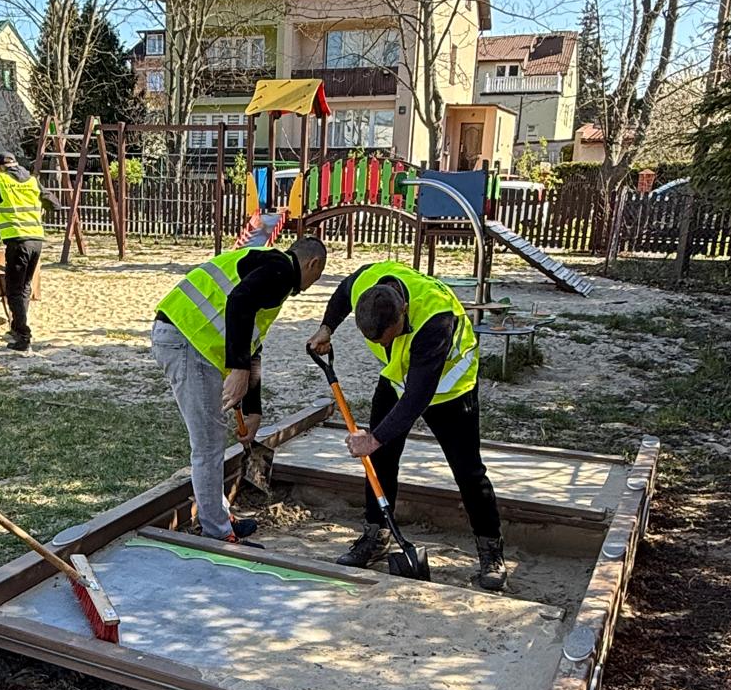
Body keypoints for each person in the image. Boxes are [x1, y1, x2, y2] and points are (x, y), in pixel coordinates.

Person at [308, 260, 506, 590]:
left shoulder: (435, 319)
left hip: (450, 387)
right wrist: (327, 327)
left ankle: (490, 550)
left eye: (390, 338)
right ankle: (377, 534)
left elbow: (417, 397)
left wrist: (374, 438)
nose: (385, 345)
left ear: (404, 311)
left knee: (468, 471)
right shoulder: (367, 283)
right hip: (398, 377)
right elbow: (344, 290)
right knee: (381, 460)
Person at [153, 237, 328, 544]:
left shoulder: (272, 270)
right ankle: (217, 531)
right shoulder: (280, 272)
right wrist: (238, 368)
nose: (313, 284)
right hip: (186, 339)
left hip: (190, 338)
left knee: (212, 439)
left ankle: (218, 515)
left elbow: (252, 345)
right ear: (312, 264)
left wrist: (253, 410)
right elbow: (238, 302)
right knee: (208, 441)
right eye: (318, 276)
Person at [0, 154, 56, 353]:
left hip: (17, 241)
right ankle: (18, 328)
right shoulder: (32, 181)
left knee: (14, 289)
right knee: (24, 287)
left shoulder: (0, 181)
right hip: (36, 240)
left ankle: (23, 336)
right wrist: (40, 209)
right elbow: (54, 203)